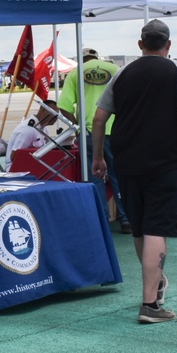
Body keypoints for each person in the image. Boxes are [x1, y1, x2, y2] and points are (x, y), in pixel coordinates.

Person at [90, 17, 177, 323]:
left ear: (140, 45)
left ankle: (156, 285)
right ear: (168, 45)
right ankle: (150, 304)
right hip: (164, 160)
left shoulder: (123, 73)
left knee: (140, 226)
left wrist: (98, 156)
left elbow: (99, 117)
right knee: (156, 228)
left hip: (126, 160)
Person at [58, 47, 130, 232]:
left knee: (94, 176)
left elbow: (64, 106)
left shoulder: (75, 72)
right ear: (96, 57)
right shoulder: (114, 69)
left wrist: (78, 125)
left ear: (81, 59)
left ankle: (102, 219)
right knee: (119, 175)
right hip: (115, 129)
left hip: (90, 131)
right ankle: (126, 219)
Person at [5, 99, 58, 168]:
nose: (56, 118)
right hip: (16, 168)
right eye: (53, 114)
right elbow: (14, 157)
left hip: (32, 164)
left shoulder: (44, 128)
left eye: (57, 116)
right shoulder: (28, 130)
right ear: (43, 111)